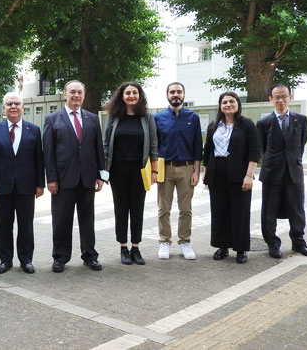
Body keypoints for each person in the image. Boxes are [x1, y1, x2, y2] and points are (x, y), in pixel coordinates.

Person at [43, 80, 105, 273]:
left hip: (87, 179)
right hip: (62, 180)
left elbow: (98, 150)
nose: (76, 95)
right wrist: (51, 179)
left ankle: (90, 255)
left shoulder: (92, 119)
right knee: (61, 220)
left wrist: (100, 175)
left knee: (87, 220)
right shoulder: (52, 119)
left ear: (83, 95)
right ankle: (60, 257)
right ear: (65, 94)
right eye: (72, 92)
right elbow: (48, 152)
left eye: (79, 92)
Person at [0, 92, 45, 274]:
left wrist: (40, 184)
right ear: (4, 108)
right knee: (4, 225)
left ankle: (26, 260)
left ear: (22, 107)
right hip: (2, 187)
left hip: (26, 187)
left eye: (17, 104)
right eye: (9, 104)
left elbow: (38, 159)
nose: (13, 107)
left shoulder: (33, 130)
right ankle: (5, 260)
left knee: (26, 226)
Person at [257, 83, 307, 259]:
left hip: (294, 172)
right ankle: (272, 244)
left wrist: (293, 161)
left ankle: (298, 242)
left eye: (284, 96)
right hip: (272, 173)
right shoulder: (264, 123)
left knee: (297, 208)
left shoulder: (301, 120)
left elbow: (300, 144)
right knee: (269, 210)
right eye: (277, 97)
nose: (281, 100)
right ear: (271, 99)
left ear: (290, 97)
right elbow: (262, 148)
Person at [202, 92, 261, 264]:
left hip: (239, 172)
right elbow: (208, 151)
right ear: (220, 106)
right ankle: (222, 246)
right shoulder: (214, 126)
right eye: (224, 102)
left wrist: (249, 175)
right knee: (219, 211)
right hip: (217, 172)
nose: (228, 105)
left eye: (231, 101)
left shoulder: (247, 124)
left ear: (237, 104)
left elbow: (255, 151)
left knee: (240, 211)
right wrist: (206, 172)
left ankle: (240, 249)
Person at [104, 82, 158, 266]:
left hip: (140, 171)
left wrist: (155, 171)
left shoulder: (147, 117)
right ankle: (123, 248)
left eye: (135, 93)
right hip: (117, 171)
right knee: (120, 209)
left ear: (140, 95)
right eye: (128, 93)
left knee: (137, 208)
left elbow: (153, 146)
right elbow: (105, 144)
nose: (131, 96)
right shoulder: (114, 117)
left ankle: (136, 248)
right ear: (122, 96)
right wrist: (105, 170)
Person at [154, 82, 202, 260]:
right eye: (172, 92)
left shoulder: (193, 117)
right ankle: (164, 241)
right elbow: (154, 146)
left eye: (179, 92)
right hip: (164, 168)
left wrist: (197, 171)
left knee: (185, 209)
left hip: (187, 168)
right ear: (167, 95)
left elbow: (198, 146)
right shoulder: (158, 118)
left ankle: (185, 242)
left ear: (184, 95)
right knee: (163, 208)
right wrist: (153, 171)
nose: (176, 94)